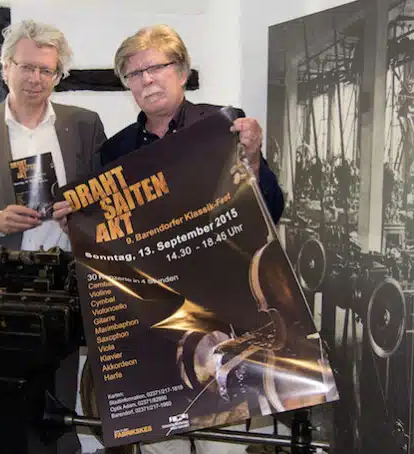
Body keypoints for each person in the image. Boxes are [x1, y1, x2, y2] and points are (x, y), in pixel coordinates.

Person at [53, 24, 284, 454]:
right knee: (165, 444)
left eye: (155, 67)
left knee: (226, 443)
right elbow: (116, 247)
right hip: (157, 324)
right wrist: (80, 232)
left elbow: (271, 209)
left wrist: (252, 156)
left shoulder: (224, 125)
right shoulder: (115, 152)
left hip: (227, 314)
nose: (146, 80)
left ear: (180, 70)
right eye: (134, 74)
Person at [0, 19, 106, 454]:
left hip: (67, 288)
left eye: (47, 70)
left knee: (59, 408)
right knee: (0, 408)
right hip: (0, 289)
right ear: (5, 66)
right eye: (27, 67)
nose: (36, 79)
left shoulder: (85, 125)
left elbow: (108, 202)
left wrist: (82, 219)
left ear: (58, 74)